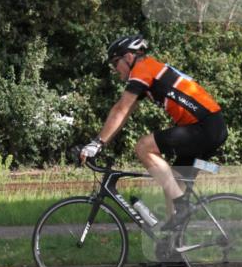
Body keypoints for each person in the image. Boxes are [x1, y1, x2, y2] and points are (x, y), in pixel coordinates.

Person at [79, 34, 227, 231]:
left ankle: (182, 207)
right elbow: (124, 113)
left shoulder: (143, 70)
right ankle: (174, 254)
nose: (115, 69)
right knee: (172, 183)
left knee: (143, 147)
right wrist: (102, 142)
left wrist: (96, 144)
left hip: (204, 127)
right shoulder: (151, 70)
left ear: (129, 57)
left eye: (116, 62)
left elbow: (121, 109)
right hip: (209, 126)